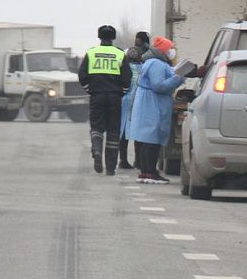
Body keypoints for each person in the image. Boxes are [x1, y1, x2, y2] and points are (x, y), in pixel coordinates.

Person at [126, 36, 185, 184]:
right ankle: (150, 172)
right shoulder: (157, 64)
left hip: (151, 103)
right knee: (152, 139)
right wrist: (178, 77)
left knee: (148, 139)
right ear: (163, 50)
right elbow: (158, 86)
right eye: (170, 48)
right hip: (153, 105)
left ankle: (147, 172)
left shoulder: (154, 62)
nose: (172, 51)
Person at [78, 25, 132, 176]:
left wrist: (90, 89)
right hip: (115, 96)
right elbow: (127, 78)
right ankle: (110, 167)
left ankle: (97, 150)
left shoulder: (91, 53)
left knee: (96, 127)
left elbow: (82, 76)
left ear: (99, 37)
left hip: (96, 96)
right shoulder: (120, 54)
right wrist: (122, 91)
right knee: (113, 131)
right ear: (113, 38)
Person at [119, 32, 149, 169]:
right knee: (139, 130)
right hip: (140, 101)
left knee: (123, 131)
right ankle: (139, 161)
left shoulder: (125, 64)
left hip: (125, 101)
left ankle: (123, 160)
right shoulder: (146, 64)